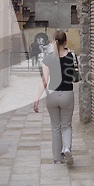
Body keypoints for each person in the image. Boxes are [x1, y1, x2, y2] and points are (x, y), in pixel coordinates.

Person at [34, 29, 75, 165]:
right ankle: (67, 148)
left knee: (55, 127)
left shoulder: (48, 59)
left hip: (52, 95)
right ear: (65, 42)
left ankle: (57, 158)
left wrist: (36, 98)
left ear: (53, 42)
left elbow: (44, 80)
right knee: (66, 125)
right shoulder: (71, 57)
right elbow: (75, 76)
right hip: (67, 94)